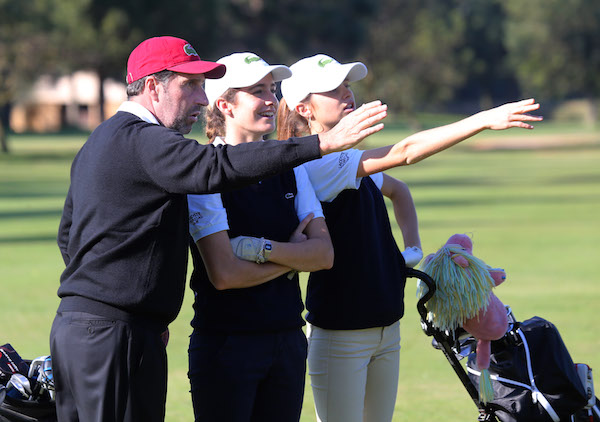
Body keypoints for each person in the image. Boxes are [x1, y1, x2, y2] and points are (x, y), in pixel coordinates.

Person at [49, 37, 387, 422]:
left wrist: (134, 313)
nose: (200, 98)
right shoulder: (144, 139)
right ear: (153, 86)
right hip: (113, 337)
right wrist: (321, 143)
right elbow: (215, 167)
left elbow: (68, 235)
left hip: (97, 331)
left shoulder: (102, 138)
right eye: (188, 85)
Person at [275, 54, 543, 422]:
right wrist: (482, 120)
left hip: (386, 325)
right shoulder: (316, 165)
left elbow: (399, 191)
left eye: (348, 86)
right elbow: (404, 153)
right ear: (303, 108)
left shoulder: (348, 159)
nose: (347, 94)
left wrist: (411, 251)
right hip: (341, 335)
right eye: (334, 90)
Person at [186, 52, 332, 422]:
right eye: (257, 91)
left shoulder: (290, 167)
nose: (272, 100)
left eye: (272, 89)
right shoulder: (204, 175)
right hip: (226, 345)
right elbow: (224, 275)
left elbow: (324, 255)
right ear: (225, 105)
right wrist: (292, 256)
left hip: (287, 339)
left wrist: (258, 250)